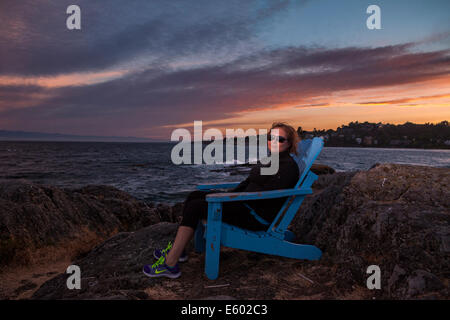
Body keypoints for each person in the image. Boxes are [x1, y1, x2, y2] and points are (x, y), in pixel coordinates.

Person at [143, 122, 301, 278]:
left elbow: (268, 195)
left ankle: (171, 264)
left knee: (197, 207)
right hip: (245, 204)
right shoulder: (272, 159)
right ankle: (179, 250)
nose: (273, 142)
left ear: (289, 144)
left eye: (280, 139)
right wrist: (229, 195)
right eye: (270, 137)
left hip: (255, 215)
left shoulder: (288, 167)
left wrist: (231, 199)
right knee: (194, 196)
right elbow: (248, 183)